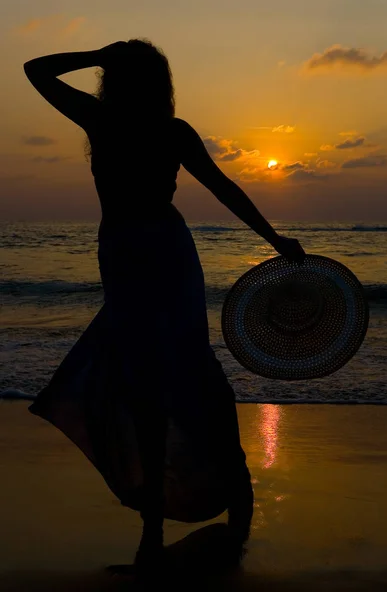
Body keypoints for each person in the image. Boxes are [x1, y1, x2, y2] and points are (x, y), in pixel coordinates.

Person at [24, 39, 305, 574]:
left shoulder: (115, 121)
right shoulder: (116, 121)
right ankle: (165, 515)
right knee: (154, 375)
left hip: (150, 254)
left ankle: (202, 498)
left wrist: (277, 241)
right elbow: (31, 70)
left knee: (172, 371)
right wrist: (276, 241)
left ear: (116, 78)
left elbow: (225, 188)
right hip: (142, 256)